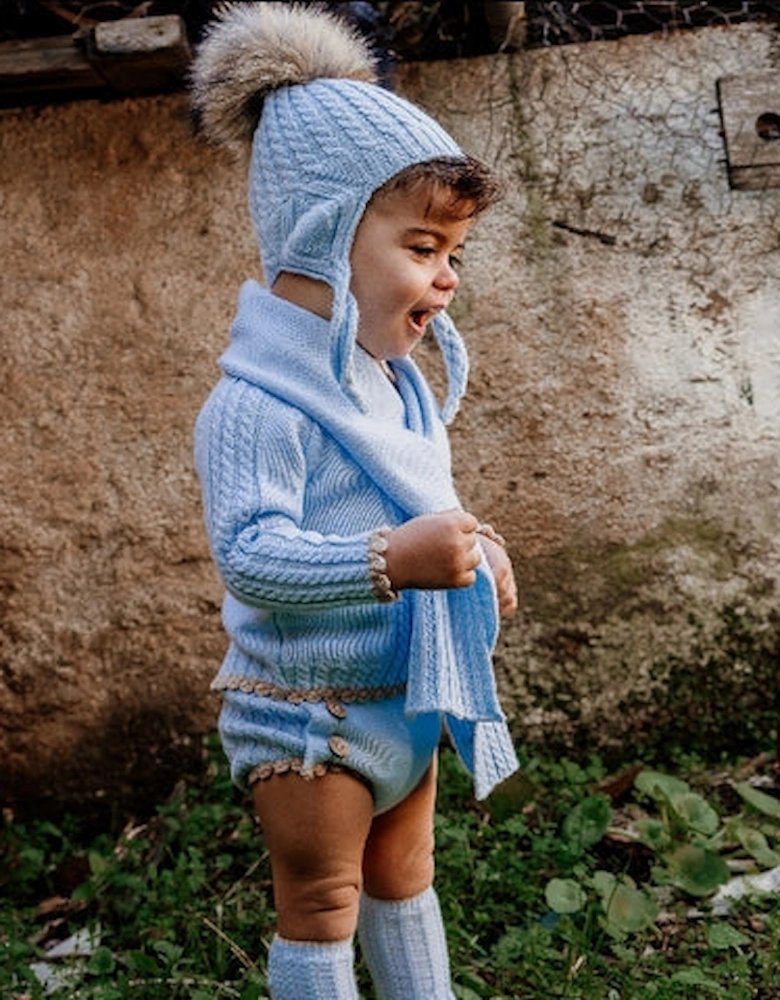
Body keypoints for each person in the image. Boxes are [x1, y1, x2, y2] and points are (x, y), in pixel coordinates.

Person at [190, 4, 519, 998]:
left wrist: (478, 544)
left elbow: (426, 501)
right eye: (424, 247)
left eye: (454, 253)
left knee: (403, 874)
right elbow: (251, 554)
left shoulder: (391, 383)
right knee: (327, 898)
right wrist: (390, 561)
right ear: (325, 235)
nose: (447, 277)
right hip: (310, 718)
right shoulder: (255, 403)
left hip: (405, 695)